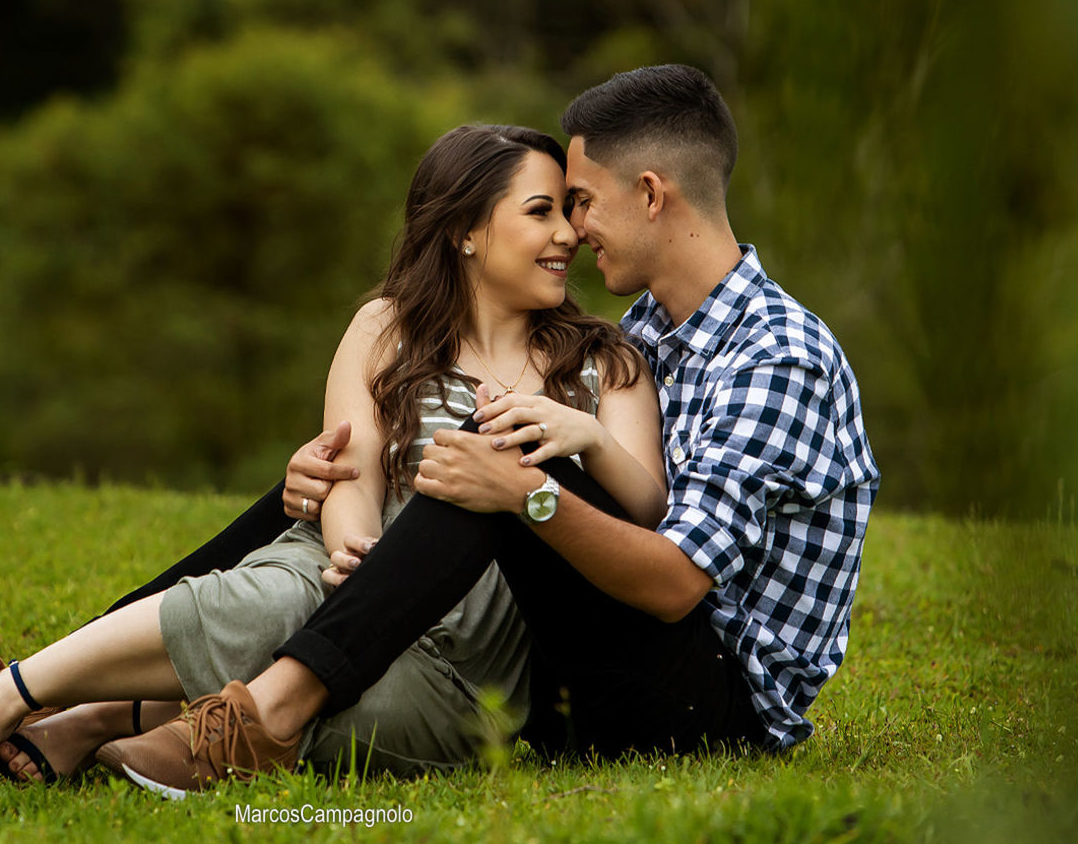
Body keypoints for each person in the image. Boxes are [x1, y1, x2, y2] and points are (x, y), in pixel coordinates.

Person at [91, 63, 880, 794]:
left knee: (497, 457)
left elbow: (676, 585)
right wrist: (322, 487)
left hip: (712, 703)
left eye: (582, 199)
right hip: (581, 657)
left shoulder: (778, 356)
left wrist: (530, 494)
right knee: (341, 476)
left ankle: (267, 715)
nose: (573, 228)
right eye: (560, 206)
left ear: (650, 194)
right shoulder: (655, 330)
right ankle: (71, 688)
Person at [0, 123, 669, 793]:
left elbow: (646, 509)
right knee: (280, 593)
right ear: (463, 230)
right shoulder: (387, 327)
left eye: (568, 211)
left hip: (464, 670)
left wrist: (588, 436)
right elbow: (347, 465)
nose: (569, 233)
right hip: (343, 584)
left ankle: (95, 714)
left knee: (349, 697)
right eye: (541, 212)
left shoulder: (606, 362)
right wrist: (362, 562)